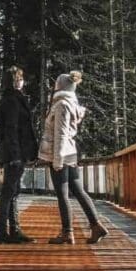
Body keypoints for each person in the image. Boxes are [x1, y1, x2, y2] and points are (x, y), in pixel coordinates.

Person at [38, 70, 108, 245]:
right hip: (70, 152)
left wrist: (57, 161)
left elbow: (60, 134)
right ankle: (96, 225)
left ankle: (67, 233)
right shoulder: (71, 103)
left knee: (62, 194)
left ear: (59, 87)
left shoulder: (61, 104)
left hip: (60, 153)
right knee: (78, 190)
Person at [0, 65, 38, 243]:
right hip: (14, 152)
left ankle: (13, 231)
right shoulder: (12, 101)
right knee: (8, 192)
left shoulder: (12, 99)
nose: (22, 81)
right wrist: (15, 155)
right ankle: (2, 233)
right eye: (19, 79)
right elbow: (10, 129)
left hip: (16, 151)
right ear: (14, 82)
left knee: (12, 192)